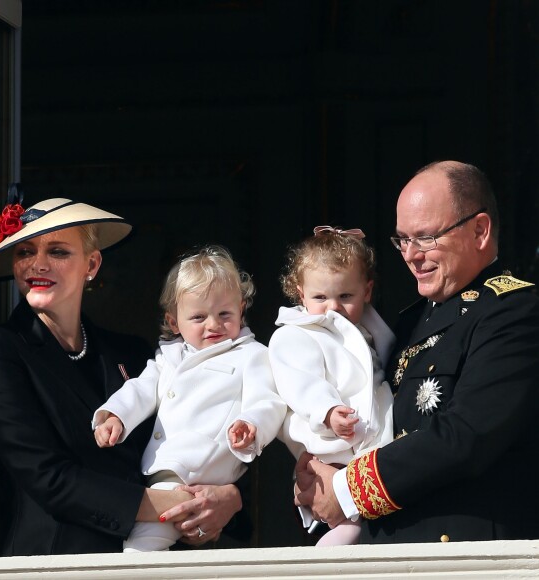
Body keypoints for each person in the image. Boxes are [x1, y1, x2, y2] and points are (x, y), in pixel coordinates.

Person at [0, 198, 243, 556]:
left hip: (157, 560)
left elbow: (199, 431)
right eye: (24, 251)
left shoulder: (132, 353)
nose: (37, 264)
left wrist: (230, 499)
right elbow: (48, 478)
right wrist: (178, 506)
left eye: (57, 251)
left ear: (92, 264)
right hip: (55, 564)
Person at [294, 161, 539, 543]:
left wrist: (346, 489)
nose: (410, 255)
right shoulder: (407, 323)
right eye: (402, 240)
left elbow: (467, 436)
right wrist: (318, 468)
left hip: (462, 558)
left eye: (425, 238)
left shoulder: (514, 312)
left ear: (480, 230)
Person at [93, 245, 286, 552]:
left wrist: (252, 425)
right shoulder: (168, 357)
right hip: (159, 477)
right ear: (174, 322)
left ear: (241, 309)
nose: (213, 325)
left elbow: (268, 401)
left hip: (202, 473)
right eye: (198, 316)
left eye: (225, 314)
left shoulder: (252, 355)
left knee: (139, 551)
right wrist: (114, 416)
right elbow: (141, 389)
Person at [269, 226, 395, 546]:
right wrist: (328, 411)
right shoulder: (295, 335)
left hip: (370, 448)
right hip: (332, 445)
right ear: (300, 294)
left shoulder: (371, 332)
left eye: (345, 296)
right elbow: (301, 382)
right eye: (320, 297)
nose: (333, 308)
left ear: (367, 291)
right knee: (346, 528)